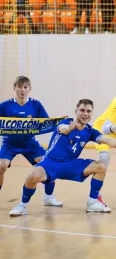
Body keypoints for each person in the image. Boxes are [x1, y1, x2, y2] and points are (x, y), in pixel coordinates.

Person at [9, 99, 116, 216]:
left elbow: (107, 140)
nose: (85, 114)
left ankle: (92, 203)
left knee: (101, 166)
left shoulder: (90, 131)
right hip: (51, 163)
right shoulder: (65, 122)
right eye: (82, 110)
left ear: (92, 114)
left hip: (71, 164)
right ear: (76, 111)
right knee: (33, 175)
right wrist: (69, 128)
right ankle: (22, 205)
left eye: (88, 111)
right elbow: (62, 129)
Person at [0, 76, 62, 207]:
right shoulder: (5, 105)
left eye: (25, 87)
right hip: (9, 144)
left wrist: (61, 122)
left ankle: (49, 197)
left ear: (29, 89)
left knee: (49, 164)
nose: (22, 90)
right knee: (1, 166)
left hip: (30, 144)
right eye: (19, 87)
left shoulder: (36, 104)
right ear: (14, 88)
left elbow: (46, 123)